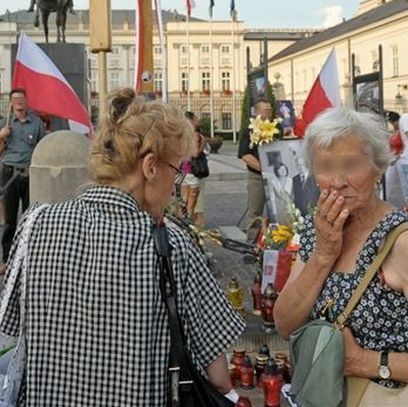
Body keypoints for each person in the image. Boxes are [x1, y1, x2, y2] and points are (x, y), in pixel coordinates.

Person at [0, 88, 244, 406]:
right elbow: (219, 378)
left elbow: (12, 323)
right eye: (176, 171)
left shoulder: (35, 223)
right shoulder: (172, 245)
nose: (176, 186)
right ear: (150, 166)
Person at [274, 107, 408, 392]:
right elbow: (285, 324)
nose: (337, 181)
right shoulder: (319, 229)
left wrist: (363, 361)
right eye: (325, 167)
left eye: (350, 165)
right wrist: (323, 255)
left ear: (379, 167)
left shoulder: (400, 240)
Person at [0, 88, 45, 275]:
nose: (19, 101)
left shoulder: (36, 123)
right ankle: (7, 260)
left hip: (29, 173)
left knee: (30, 218)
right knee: (10, 221)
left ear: (27, 101)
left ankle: (28, 258)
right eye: (15, 99)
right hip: (10, 173)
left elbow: (42, 146)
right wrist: (2, 135)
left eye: (21, 98)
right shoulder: (5, 122)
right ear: (11, 103)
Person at [238, 97, 272, 241]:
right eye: (266, 110)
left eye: (270, 109)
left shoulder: (275, 128)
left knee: (275, 212)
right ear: (257, 112)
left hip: (275, 178)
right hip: (257, 178)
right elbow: (244, 155)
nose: (269, 112)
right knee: (255, 212)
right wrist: (264, 169)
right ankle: (251, 244)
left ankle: (274, 242)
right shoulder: (249, 131)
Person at [181, 111, 207, 227]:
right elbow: (196, 153)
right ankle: (189, 225)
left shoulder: (183, 134)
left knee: (185, 200)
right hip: (194, 170)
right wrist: (203, 144)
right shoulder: (195, 134)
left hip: (184, 169)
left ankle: (184, 222)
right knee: (192, 200)